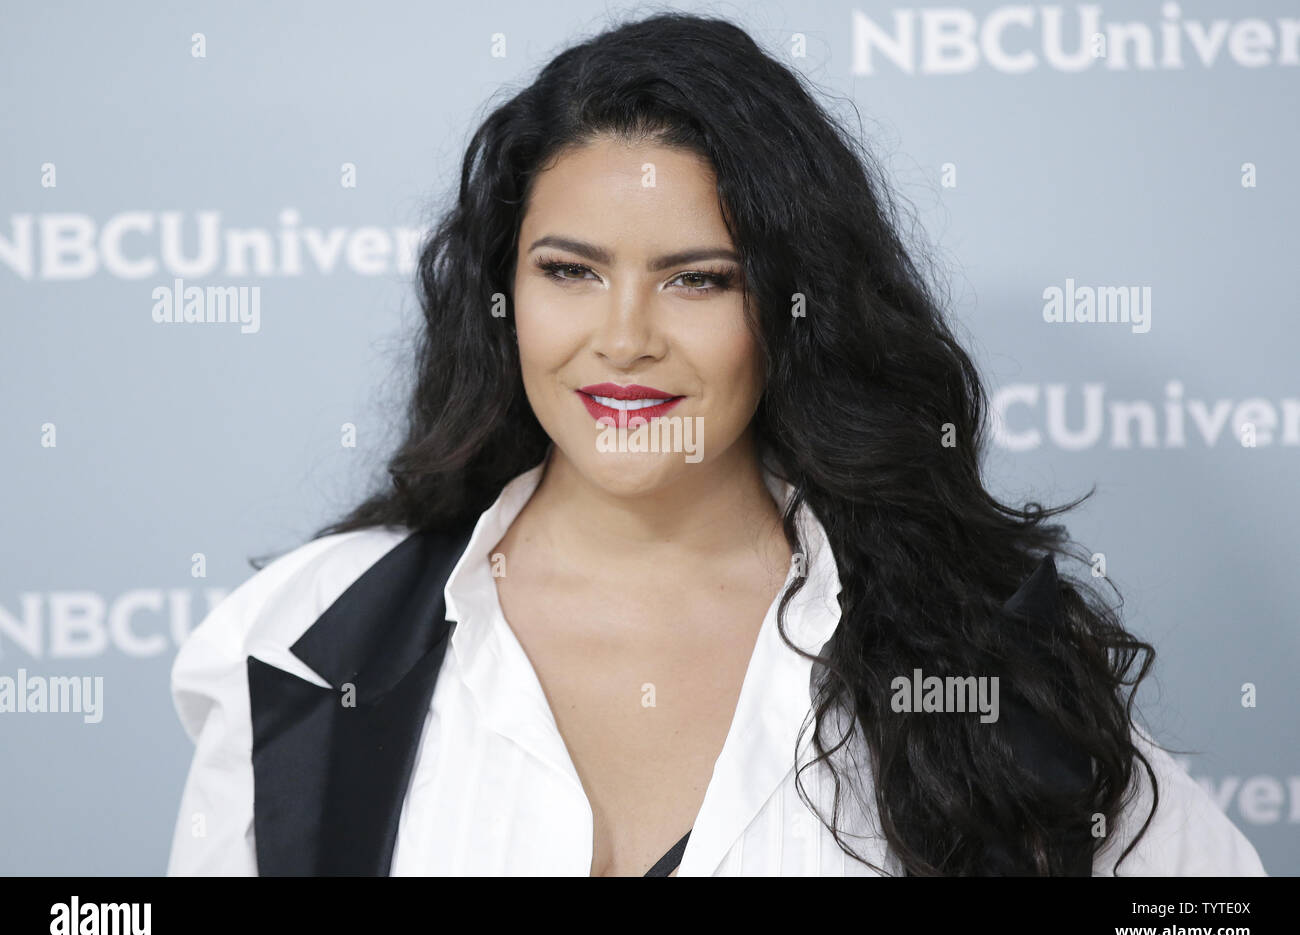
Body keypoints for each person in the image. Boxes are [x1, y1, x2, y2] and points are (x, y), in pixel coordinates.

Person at [166, 12, 1266, 877]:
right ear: (501, 297)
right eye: (569, 271)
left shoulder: (969, 657)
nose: (624, 338)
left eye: (698, 278)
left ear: (796, 305)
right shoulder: (311, 645)